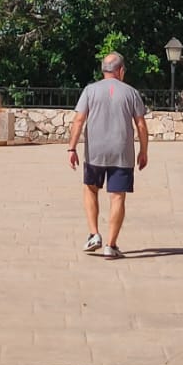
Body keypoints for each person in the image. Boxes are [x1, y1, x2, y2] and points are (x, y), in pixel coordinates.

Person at [66, 52, 149, 259]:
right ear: (120, 71)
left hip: (95, 151)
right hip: (122, 152)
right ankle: (111, 245)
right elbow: (140, 124)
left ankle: (94, 234)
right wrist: (144, 151)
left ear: (103, 70)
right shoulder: (131, 93)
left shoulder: (90, 90)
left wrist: (72, 148)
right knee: (117, 196)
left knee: (90, 189)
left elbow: (78, 120)